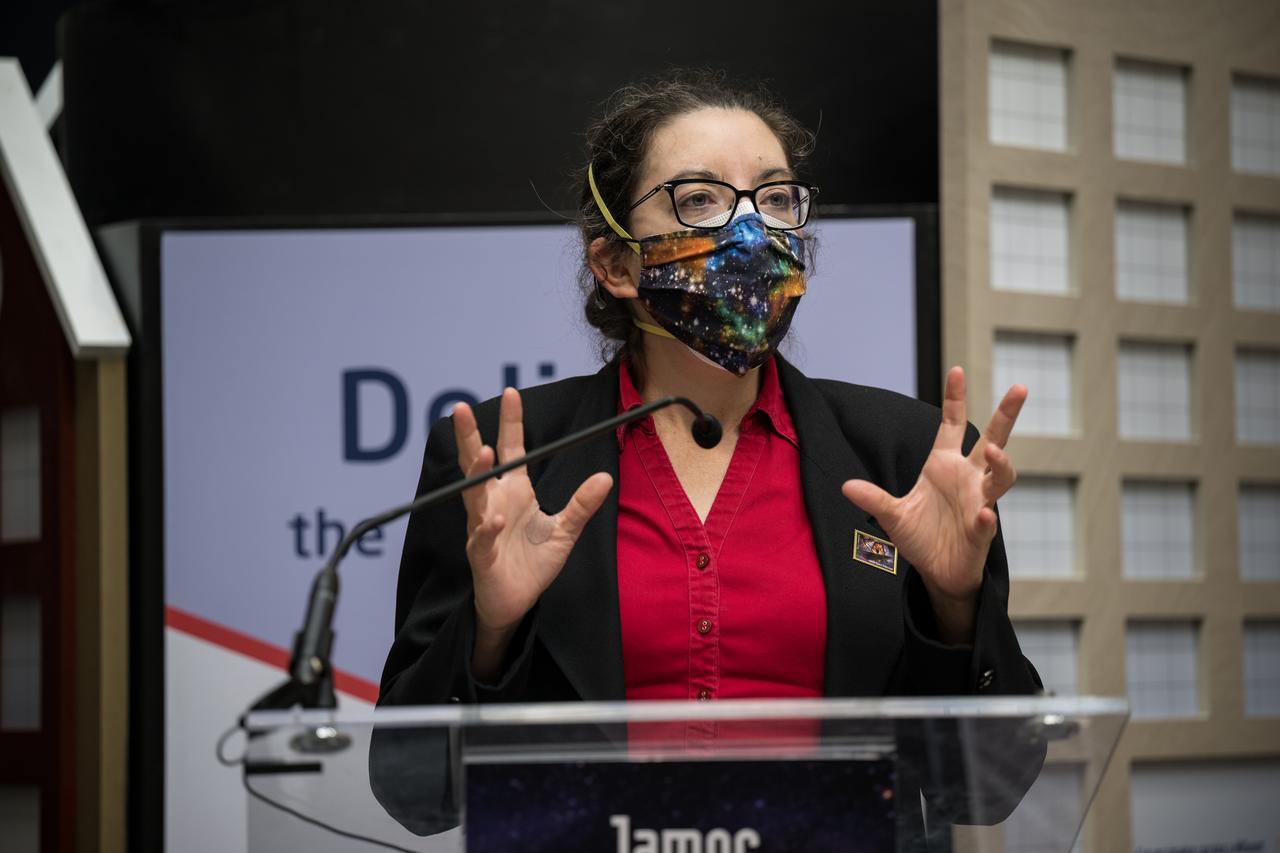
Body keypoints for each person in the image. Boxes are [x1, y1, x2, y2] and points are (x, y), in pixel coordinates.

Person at [378, 70, 1041, 708]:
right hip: (587, 829)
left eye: (776, 198)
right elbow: (415, 789)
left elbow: (993, 784)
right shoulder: (503, 462)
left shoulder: (907, 455)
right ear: (614, 264)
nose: (750, 231)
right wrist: (489, 631)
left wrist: (956, 606)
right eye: (699, 200)